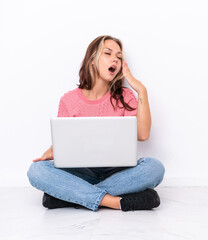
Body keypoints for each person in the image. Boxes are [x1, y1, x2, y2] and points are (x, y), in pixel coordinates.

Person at [27, 35, 165, 212]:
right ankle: (113, 201)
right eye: (108, 53)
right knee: (36, 171)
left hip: (118, 172)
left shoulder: (126, 97)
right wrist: (53, 150)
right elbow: (65, 141)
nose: (115, 58)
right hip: (82, 172)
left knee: (154, 168)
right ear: (92, 60)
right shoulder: (68, 100)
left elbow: (143, 135)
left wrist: (141, 90)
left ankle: (70, 197)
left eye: (119, 56)